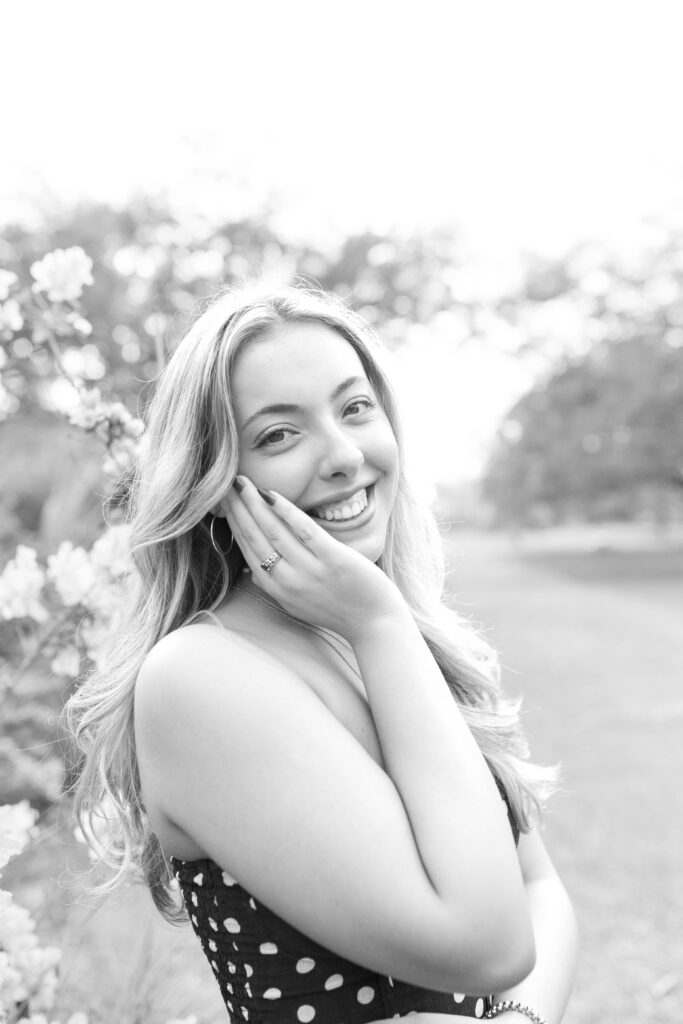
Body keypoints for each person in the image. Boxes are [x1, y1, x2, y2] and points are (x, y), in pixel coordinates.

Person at [66, 282, 578, 1024]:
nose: (342, 456)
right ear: (213, 483)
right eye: (279, 434)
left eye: (354, 408)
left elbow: (538, 887)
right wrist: (379, 625)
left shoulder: (384, 639)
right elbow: (488, 945)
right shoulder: (202, 678)